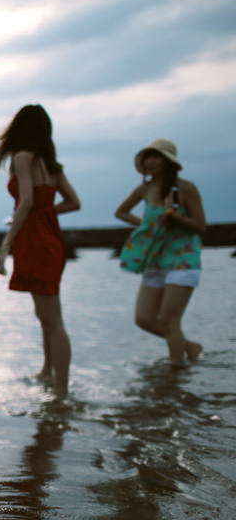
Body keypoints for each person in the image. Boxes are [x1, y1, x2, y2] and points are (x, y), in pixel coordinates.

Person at [0, 105, 81, 397]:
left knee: (53, 318)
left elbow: (27, 200)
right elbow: (73, 203)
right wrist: (47, 212)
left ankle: (61, 392)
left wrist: (6, 243)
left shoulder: (22, 158)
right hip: (51, 238)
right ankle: (47, 371)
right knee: (46, 313)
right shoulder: (51, 165)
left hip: (34, 241)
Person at [114, 138, 206, 366]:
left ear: (168, 161)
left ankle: (176, 375)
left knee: (169, 320)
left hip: (183, 261)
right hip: (155, 260)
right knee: (143, 319)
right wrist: (146, 225)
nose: (152, 162)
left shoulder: (185, 188)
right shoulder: (145, 189)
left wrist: (175, 217)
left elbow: (200, 225)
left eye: (157, 157)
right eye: (149, 157)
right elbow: (121, 212)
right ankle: (189, 348)